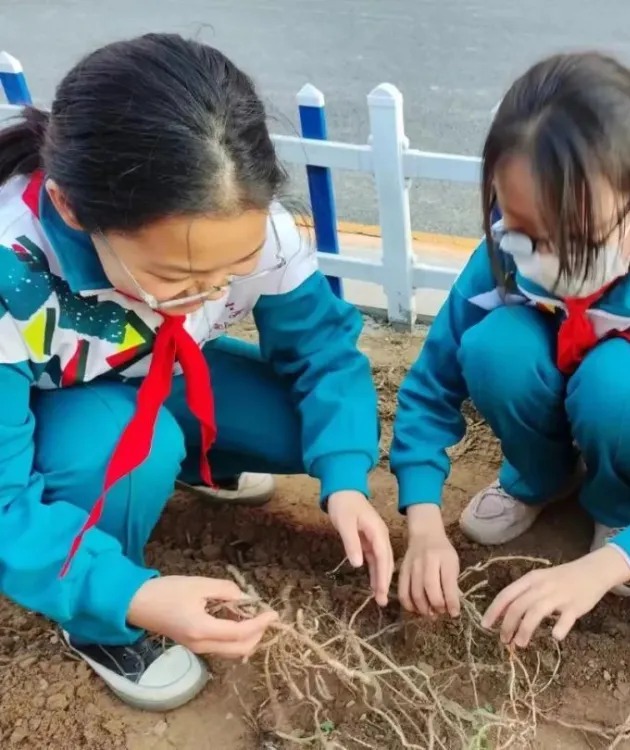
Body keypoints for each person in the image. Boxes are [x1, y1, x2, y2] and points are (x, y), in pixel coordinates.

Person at [0, 34, 392, 711]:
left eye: (231, 271)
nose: (212, 294)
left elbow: (325, 353)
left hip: (157, 373)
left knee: (318, 431)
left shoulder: (242, 218)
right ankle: (100, 626)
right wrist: (135, 595)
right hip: (57, 411)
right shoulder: (13, 279)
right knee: (126, 445)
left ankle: (190, 462)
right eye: (177, 276)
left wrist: (347, 481)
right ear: (71, 210)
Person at [390, 52, 630, 647]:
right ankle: (538, 477)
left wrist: (607, 567)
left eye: (582, 239)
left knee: (625, 384)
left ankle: (620, 506)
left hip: (627, 419)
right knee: (494, 349)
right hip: (549, 396)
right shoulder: (502, 254)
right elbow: (430, 389)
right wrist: (424, 523)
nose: (548, 260)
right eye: (526, 233)